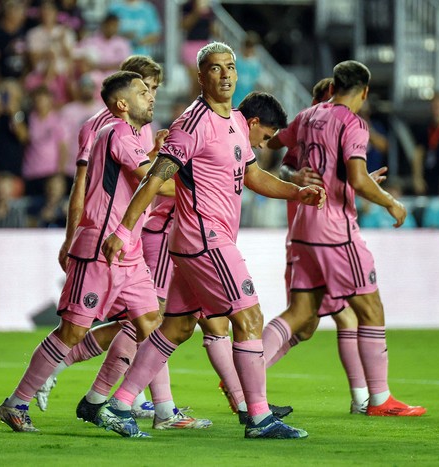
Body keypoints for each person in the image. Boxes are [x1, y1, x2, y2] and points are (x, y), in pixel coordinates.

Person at [98, 41, 324, 439]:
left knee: (177, 328)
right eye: (215, 69)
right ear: (201, 76)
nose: (225, 75)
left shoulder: (236, 121)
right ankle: (258, 417)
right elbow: (155, 179)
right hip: (204, 236)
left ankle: (118, 405)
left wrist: (295, 191)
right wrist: (122, 228)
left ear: (237, 74)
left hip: (204, 240)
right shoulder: (192, 123)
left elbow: (253, 176)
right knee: (249, 316)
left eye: (230, 67)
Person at [0, 70, 208, 433]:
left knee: (151, 328)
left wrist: (158, 153)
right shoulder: (117, 133)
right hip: (100, 249)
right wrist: (208, 180)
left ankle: (160, 411)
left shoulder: (130, 138)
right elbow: (154, 184)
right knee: (72, 332)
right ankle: (16, 403)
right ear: (123, 104)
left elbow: (142, 176)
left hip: (130, 252)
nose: (151, 97)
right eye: (143, 92)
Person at [263, 60, 426, 417]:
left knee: (301, 314)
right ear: (365, 92)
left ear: (334, 85)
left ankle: (243, 374)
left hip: (303, 227)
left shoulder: (308, 116)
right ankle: (379, 400)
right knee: (370, 309)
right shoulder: (353, 123)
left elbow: (273, 141)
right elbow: (355, 177)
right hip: (335, 230)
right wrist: (390, 202)